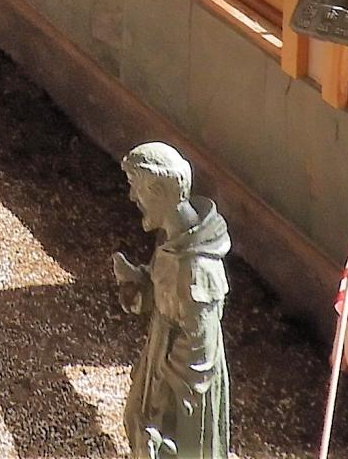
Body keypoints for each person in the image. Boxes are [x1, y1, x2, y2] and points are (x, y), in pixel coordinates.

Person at [113, 143, 232, 459]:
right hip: (160, 353)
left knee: (168, 445)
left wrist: (160, 396)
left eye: (136, 188)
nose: (132, 197)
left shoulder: (197, 268)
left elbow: (198, 350)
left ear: (158, 191)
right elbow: (162, 293)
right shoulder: (172, 242)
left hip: (183, 386)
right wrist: (137, 285)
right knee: (136, 421)